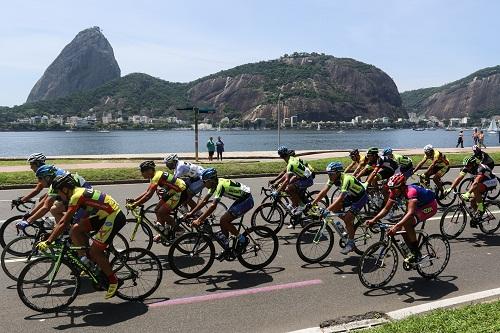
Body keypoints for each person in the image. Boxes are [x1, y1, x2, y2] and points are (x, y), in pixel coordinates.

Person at [36, 174, 126, 299]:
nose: (59, 197)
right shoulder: (76, 193)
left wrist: (49, 241)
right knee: (75, 229)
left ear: (66, 189)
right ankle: (89, 259)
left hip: (113, 216)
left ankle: (113, 280)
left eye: (59, 193)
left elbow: (63, 222)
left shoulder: (76, 196)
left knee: (95, 251)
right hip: (103, 214)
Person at [366, 174, 438, 263]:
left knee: (407, 223)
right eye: (390, 188)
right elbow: (386, 209)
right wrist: (374, 219)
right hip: (418, 207)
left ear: (402, 187)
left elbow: (411, 213)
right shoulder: (394, 191)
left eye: (393, 189)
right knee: (401, 227)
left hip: (429, 206)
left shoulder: (411, 192)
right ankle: (411, 252)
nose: (391, 191)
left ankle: (416, 253)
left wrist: (396, 226)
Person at [185, 168, 253, 260]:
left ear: (211, 180)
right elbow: (204, 201)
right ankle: (227, 249)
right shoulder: (214, 184)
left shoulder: (220, 185)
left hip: (246, 200)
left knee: (224, 220)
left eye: (205, 182)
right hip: (241, 199)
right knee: (223, 222)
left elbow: (213, 206)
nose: (204, 184)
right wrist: (191, 213)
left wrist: (200, 219)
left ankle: (243, 240)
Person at [309, 162, 368, 254]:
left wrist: (327, 209)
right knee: (335, 208)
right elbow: (324, 191)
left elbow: (341, 197)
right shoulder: (333, 178)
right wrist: (312, 203)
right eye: (328, 174)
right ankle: (348, 225)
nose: (329, 176)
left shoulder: (346, 179)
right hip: (351, 196)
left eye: (331, 174)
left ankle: (351, 244)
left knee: (347, 219)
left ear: (337, 173)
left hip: (360, 198)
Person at [16, 165, 91, 231]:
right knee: (54, 209)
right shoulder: (55, 178)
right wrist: (31, 215)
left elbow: (46, 207)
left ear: (47, 177)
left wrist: (29, 220)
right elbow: (45, 201)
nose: (39, 181)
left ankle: (73, 236)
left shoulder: (57, 182)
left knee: (76, 228)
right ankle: (65, 230)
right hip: (75, 195)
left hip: (85, 198)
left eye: (40, 178)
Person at [128, 161, 187, 242]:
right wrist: (135, 200)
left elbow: (149, 195)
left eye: (142, 171)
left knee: (162, 212)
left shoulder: (156, 176)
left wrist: (136, 204)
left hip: (180, 191)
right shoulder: (154, 176)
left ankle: (179, 229)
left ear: (149, 170)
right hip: (172, 190)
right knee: (157, 209)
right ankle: (163, 232)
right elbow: (147, 192)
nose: (141, 174)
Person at [445, 155, 497, 226]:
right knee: (472, 201)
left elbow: (476, 182)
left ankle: (481, 209)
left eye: (468, 165)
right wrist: (450, 188)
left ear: (473, 164)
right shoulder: (467, 167)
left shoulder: (480, 168)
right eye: (465, 165)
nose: (466, 167)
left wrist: (468, 193)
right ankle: (479, 217)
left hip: (491, 181)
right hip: (482, 181)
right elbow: (459, 178)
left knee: (476, 189)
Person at [269, 146, 315, 218]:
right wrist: (277, 182)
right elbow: (286, 173)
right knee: (290, 187)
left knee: (288, 189)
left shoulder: (290, 164)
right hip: (303, 177)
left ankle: (301, 206)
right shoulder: (291, 159)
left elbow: (286, 179)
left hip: (307, 179)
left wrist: (277, 191)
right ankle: (296, 204)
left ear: (281, 156)